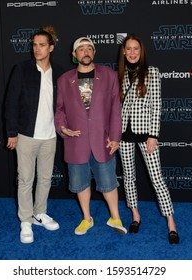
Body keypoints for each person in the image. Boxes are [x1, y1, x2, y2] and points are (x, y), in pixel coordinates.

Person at [54, 37, 127, 235]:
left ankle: (115, 218)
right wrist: (62, 127)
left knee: (108, 182)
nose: (85, 52)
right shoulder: (63, 80)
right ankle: (87, 219)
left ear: (94, 53)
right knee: (79, 183)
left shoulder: (109, 75)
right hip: (75, 141)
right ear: (74, 55)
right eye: (81, 49)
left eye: (89, 48)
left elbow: (115, 109)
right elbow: (59, 110)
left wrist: (115, 137)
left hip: (103, 140)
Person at [117, 34, 179, 244]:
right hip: (124, 134)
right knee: (128, 177)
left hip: (146, 135)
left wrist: (154, 134)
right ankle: (135, 215)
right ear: (124, 52)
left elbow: (156, 106)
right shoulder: (120, 74)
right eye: (129, 49)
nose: (133, 52)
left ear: (141, 51)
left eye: (136, 48)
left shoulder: (152, 72)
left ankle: (171, 222)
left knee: (157, 178)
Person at [5, 26, 64, 244]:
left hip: (50, 136)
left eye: (41, 45)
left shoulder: (59, 72)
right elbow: (10, 103)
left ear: (50, 47)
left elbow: (63, 105)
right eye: (34, 45)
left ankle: (40, 212)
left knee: (46, 178)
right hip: (26, 135)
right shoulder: (21, 69)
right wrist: (12, 132)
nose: (36, 49)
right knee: (25, 179)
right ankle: (26, 220)